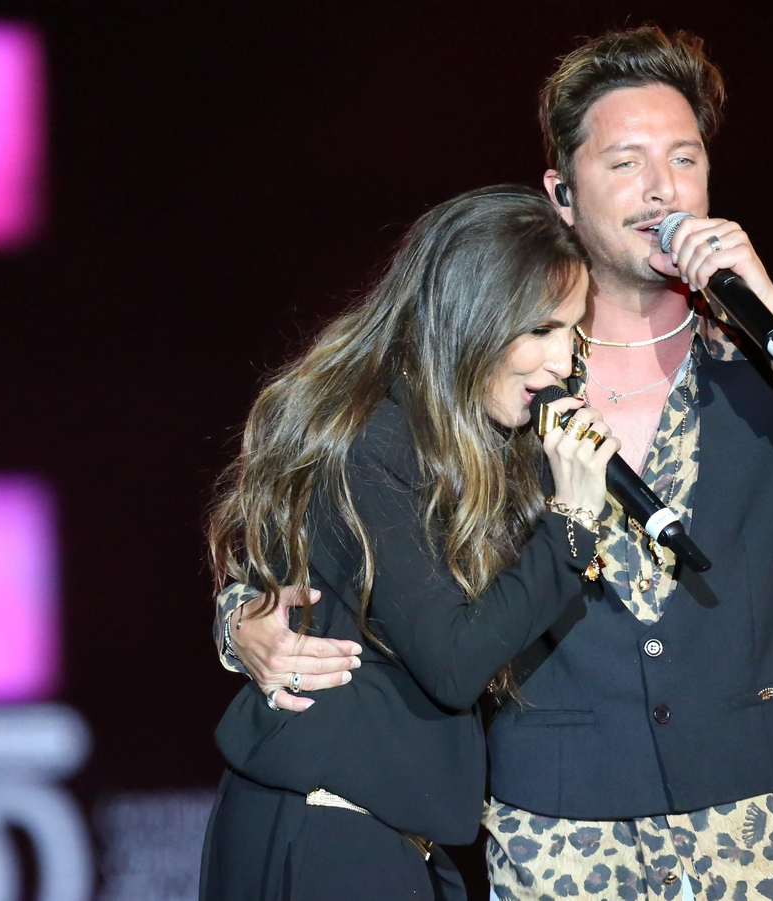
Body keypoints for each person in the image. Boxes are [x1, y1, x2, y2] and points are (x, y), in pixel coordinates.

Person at [217, 27, 773, 901]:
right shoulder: (503, 369)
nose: (662, 188)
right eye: (626, 162)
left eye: (685, 159)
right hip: (560, 835)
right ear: (562, 193)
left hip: (759, 825)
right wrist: (242, 621)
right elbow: (334, 519)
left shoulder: (768, 356)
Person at [198, 185, 624, 900]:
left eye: (572, 332)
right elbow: (454, 660)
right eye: (542, 330)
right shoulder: (374, 439)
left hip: (391, 839)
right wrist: (573, 520)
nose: (562, 362)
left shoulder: (462, 446)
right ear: (471, 320)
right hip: (327, 835)